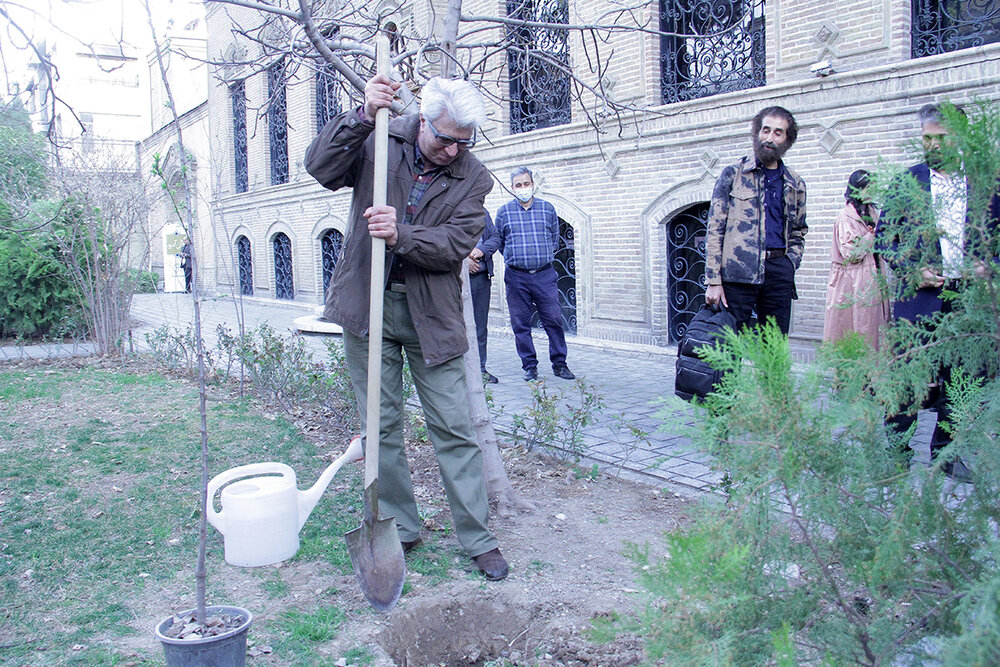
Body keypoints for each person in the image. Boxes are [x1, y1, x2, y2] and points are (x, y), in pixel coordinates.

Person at [304, 74, 508, 580]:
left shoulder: (474, 177)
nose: (453, 150)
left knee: (454, 428)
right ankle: (400, 528)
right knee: (381, 427)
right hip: (367, 307)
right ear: (422, 123)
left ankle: (478, 538)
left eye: (465, 141)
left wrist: (401, 234)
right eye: (444, 138)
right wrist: (357, 116)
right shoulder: (379, 135)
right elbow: (319, 167)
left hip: (430, 318)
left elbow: (454, 246)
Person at [877, 103, 998, 483]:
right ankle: (896, 453)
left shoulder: (986, 182)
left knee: (963, 379)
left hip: (969, 300)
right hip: (919, 298)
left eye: (941, 138)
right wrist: (911, 269)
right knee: (910, 377)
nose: (932, 145)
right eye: (927, 138)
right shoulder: (906, 181)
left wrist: (989, 265)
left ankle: (946, 455)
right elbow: (884, 240)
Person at [704, 107, 808, 335]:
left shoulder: (795, 183)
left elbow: (798, 230)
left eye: (778, 133)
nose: (770, 138)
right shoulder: (733, 174)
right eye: (766, 130)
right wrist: (713, 279)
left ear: (787, 140)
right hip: (737, 275)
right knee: (727, 347)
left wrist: (790, 264)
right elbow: (715, 228)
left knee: (774, 348)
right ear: (757, 133)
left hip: (778, 274)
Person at [494, 167, 575, 382]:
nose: (523, 188)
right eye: (518, 185)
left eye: (526, 183)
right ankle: (529, 366)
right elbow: (500, 243)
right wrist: (518, 259)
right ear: (512, 188)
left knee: (554, 320)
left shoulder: (547, 209)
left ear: (533, 184)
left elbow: (554, 238)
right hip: (516, 277)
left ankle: (560, 364)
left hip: (544, 275)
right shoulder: (503, 212)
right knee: (520, 324)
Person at [823, 170, 889, 350]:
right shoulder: (846, 216)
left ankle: (872, 372)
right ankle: (852, 374)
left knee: (873, 328)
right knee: (855, 327)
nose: (872, 191)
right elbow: (850, 253)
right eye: (869, 188)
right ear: (857, 189)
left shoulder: (872, 211)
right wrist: (870, 236)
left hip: (872, 277)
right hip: (851, 281)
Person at [468, 211, 500, 383]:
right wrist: (463, 260)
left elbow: (495, 237)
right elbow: (440, 241)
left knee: (480, 326)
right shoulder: (447, 208)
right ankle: (459, 370)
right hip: (453, 279)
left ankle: (480, 369)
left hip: (480, 278)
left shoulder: (481, 211)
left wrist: (481, 250)